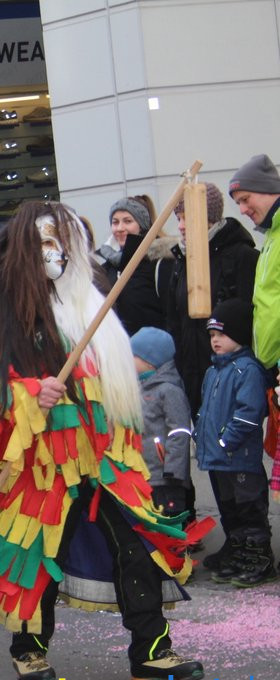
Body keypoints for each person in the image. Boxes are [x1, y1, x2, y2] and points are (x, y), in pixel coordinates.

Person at [0, 201, 203, 680]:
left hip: (102, 453)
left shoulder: (92, 301)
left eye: (61, 241)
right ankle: (29, 650)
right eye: (43, 241)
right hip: (40, 459)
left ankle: (151, 651)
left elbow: (119, 385)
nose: (53, 252)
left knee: (137, 545)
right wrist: (29, 392)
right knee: (36, 552)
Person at [193, 299, 273, 587]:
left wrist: (227, 442)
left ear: (238, 335)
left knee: (249, 508)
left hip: (239, 458)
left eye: (221, 335)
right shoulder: (214, 370)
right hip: (218, 459)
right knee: (229, 508)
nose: (215, 341)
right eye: (212, 335)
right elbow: (205, 410)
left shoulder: (247, 370)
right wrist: (201, 435)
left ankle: (258, 556)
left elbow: (249, 414)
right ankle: (238, 550)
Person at [167, 182, 258, 416]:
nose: (181, 226)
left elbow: (251, 316)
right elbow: (175, 320)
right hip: (191, 374)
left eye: (187, 217)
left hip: (231, 376)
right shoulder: (181, 262)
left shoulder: (241, 256)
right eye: (178, 218)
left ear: (208, 217)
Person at [130, 328, 192, 520]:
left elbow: (179, 431)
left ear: (150, 361)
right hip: (144, 472)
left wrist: (173, 470)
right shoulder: (139, 387)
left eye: (133, 356)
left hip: (164, 477)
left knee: (168, 519)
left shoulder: (169, 390)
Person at [229, 154, 280, 369]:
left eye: (245, 199)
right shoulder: (271, 236)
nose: (242, 210)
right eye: (238, 202)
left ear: (267, 189)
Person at [96, 196, 168, 336]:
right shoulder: (106, 268)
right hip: (118, 349)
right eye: (115, 222)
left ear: (141, 225)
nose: (120, 228)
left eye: (128, 221)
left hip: (151, 351)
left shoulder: (158, 263)